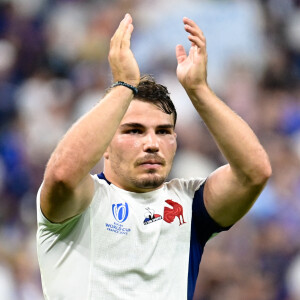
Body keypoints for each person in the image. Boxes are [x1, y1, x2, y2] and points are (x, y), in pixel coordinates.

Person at [36, 14, 272, 300]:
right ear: (104, 145)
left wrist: (198, 90)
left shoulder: (190, 205)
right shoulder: (83, 201)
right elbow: (61, 175)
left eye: (163, 131)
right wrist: (123, 85)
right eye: (134, 131)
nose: (152, 143)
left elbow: (254, 172)